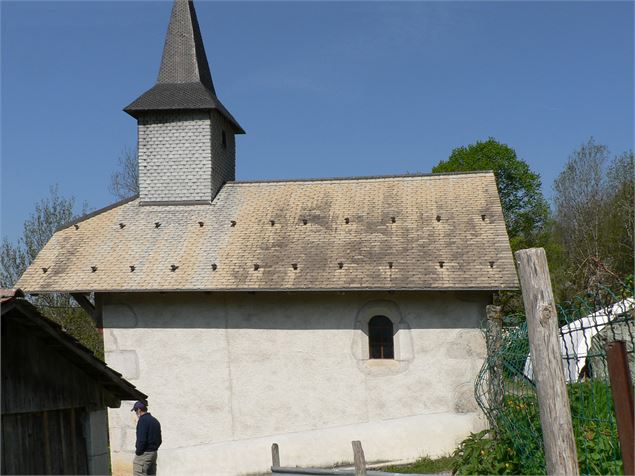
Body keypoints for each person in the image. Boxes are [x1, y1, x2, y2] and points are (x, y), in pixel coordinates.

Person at [131, 401, 162, 476]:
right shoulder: (155, 420)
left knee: (139, 473)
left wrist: (138, 452)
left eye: (135, 410)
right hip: (153, 453)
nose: (136, 413)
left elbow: (142, 440)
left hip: (144, 454)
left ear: (139, 410)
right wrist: (153, 449)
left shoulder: (142, 421)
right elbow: (159, 440)